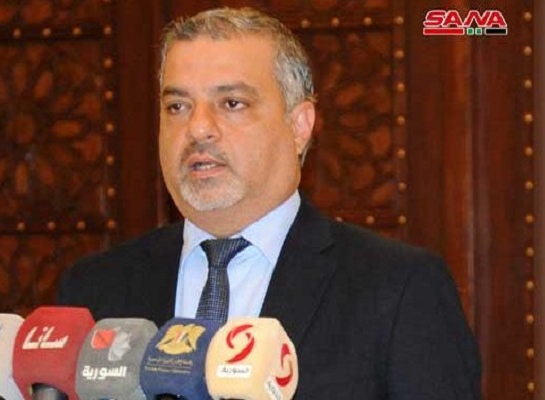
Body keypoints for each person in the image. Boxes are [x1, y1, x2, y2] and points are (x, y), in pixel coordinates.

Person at [58, 7, 482, 399]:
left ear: (299, 126)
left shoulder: (397, 289)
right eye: (177, 106)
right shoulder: (94, 290)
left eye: (232, 103)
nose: (198, 128)